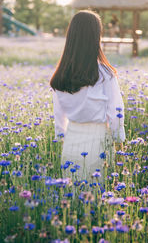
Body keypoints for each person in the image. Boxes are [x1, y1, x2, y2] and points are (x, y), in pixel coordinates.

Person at [50, 10, 125, 185]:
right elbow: (116, 113)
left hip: (71, 143)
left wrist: (62, 138)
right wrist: (120, 143)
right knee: (98, 199)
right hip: (98, 142)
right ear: (95, 38)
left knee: (74, 199)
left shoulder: (60, 75)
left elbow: (59, 118)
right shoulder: (104, 74)